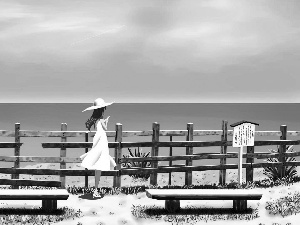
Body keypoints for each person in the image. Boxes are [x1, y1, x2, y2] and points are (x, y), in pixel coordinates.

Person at [80, 98, 116, 198]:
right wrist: (106, 121)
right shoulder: (100, 119)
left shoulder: (95, 119)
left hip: (98, 141)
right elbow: (105, 128)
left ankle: (95, 189)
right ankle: (95, 190)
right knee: (99, 166)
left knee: (97, 165)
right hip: (102, 142)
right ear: (102, 109)